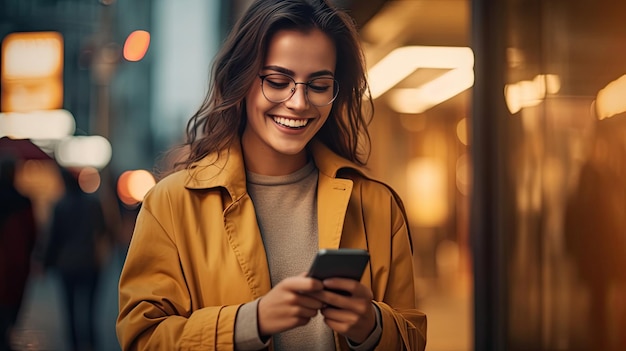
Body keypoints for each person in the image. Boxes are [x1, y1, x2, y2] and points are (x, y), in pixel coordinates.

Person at [116, 0, 427, 350]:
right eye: (278, 81)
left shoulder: (377, 205)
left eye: (319, 85)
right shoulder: (171, 203)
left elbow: (412, 337)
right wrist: (253, 321)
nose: (298, 102)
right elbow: (143, 338)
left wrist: (371, 326)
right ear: (242, 79)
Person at [45, 167, 107, 351]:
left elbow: (54, 238)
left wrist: (46, 261)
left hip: (67, 263)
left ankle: (74, 344)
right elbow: (103, 230)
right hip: (90, 262)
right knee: (90, 307)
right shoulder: (92, 203)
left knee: (70, 307)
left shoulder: (60, 205)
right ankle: (91, 342)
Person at [0, 155, 38, 351]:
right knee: (12, 304)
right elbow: (32, 233)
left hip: (12, 262)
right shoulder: (23, 202)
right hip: (17, 264)